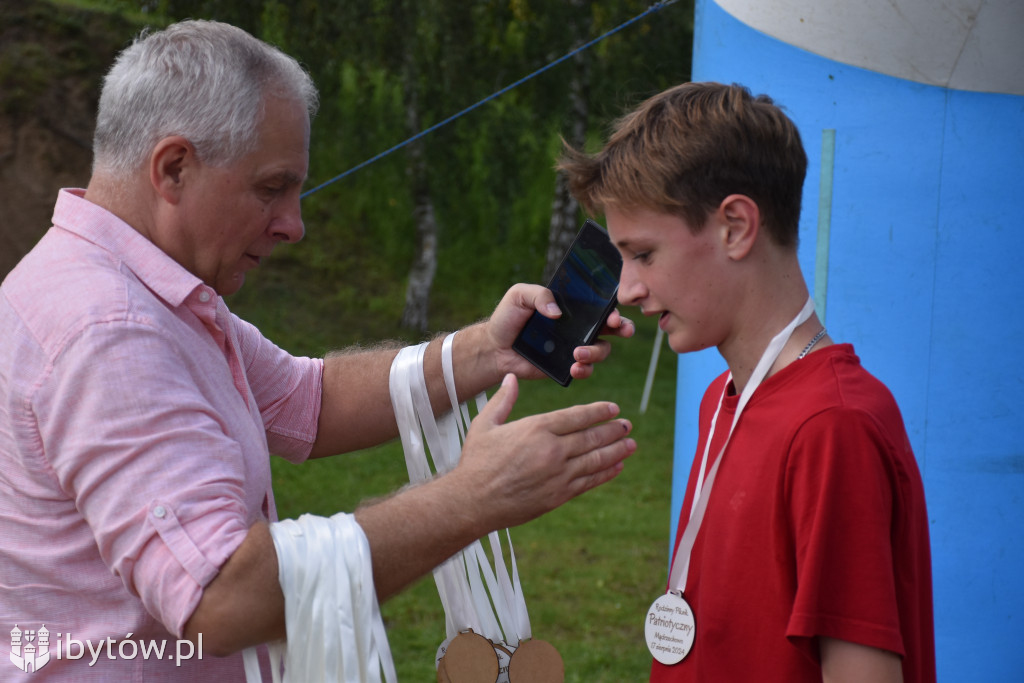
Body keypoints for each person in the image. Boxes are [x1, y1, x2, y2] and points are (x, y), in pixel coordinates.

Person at [0, 20, 637, 680]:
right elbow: (222, 598)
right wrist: (472, 497)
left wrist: (487, 351)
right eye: (271, 187)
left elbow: (305, 399)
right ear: (173, 168)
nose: (295, 225)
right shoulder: (111, 331)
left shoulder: (132, 287)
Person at [558, 82, 935, 683]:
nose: (625, 288)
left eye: (645, 255)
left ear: (736, 226)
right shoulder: (724, 399)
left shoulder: (832, 426)